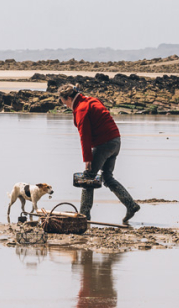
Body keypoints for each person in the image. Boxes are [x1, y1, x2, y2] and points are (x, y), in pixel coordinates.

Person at [58, 83, 140, 223]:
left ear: (69, 98)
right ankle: (131, 205)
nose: (65, 106)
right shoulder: (91, 100)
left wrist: (87, 160)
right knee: (107, 177)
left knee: (87, 178)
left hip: (104, 144)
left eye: (64, 102)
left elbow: (85, 136)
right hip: (115, 141)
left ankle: (84, 216)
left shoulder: (81, 109)